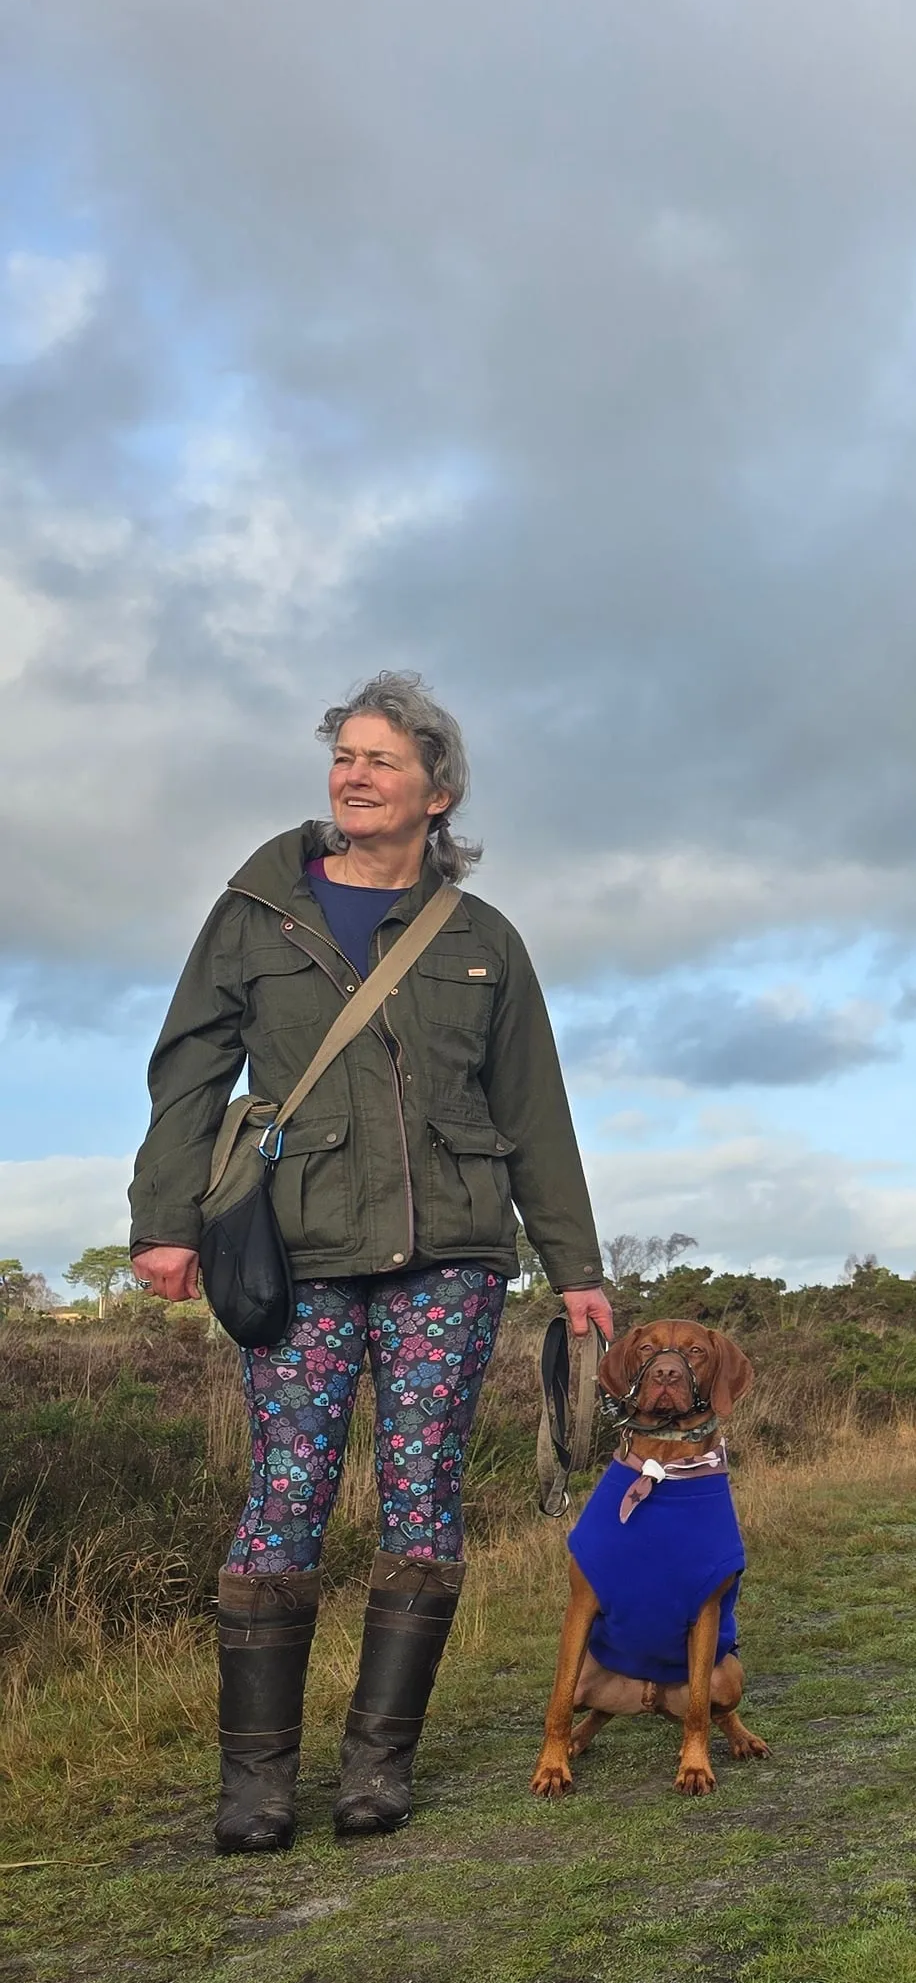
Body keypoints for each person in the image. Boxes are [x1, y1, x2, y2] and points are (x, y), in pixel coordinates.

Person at [129, 675, 611, 1853]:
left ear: (437, 792)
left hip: (448, 1251)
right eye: (344, 756)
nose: (354, 775)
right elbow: (190, 1070)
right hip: (293, 1250)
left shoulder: (485, 940)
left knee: (422, 1494)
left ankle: (376, 1773)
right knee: (287, 1490)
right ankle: (255, 1789)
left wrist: (574, 1265)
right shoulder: (254, 915)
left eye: (382, 761)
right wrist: (164, 1220)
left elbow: (534, 1114)